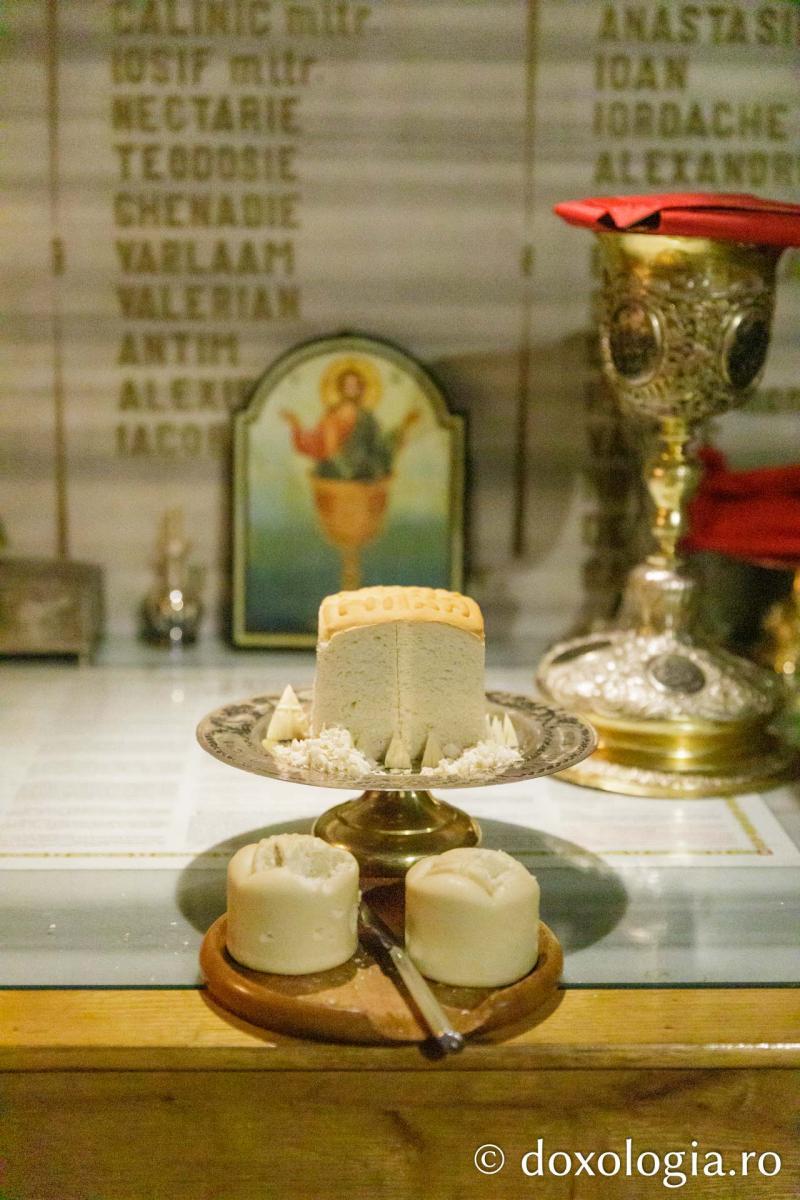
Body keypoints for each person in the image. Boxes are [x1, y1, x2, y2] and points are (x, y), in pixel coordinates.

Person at [281, 363, 419, 481]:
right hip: (332, 471)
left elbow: (379, 445)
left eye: (355, 385)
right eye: (347, 385)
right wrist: (295, 424)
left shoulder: (367, 417)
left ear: (361, 388)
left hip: (362, 472)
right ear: (340, 388)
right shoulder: (331, 414)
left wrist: (404, 426)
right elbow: (318, 441)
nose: (351, 388)